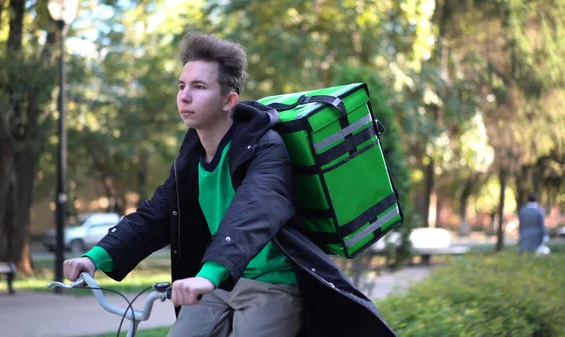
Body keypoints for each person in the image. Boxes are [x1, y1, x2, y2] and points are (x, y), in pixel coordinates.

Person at [63, 32, 396, 337]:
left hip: (272, 284)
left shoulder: (265, 147)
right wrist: (95, 257)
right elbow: (156, 214)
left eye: (199, 87)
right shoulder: (191, 156)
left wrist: (208, 273)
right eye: (181, 86)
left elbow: (252, 211)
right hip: (220, 283)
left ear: (229, 101)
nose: (185, 96)